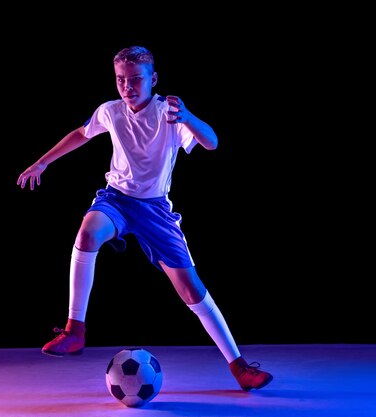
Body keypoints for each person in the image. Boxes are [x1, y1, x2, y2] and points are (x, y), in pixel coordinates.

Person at [17, 46, 273, 391]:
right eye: (121, 79)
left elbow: (211, 142)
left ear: (153, 79)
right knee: (88, 234)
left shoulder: (169, 111)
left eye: (136, 79)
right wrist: (43, 161)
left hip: (155, 211)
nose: (127, 86)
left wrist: (188, 118)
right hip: (117, 200)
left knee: (192, 291)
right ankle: (75, 330)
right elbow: (81, 133)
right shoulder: (110, 111)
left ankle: (240, 367)